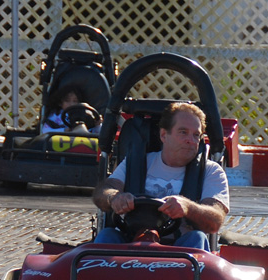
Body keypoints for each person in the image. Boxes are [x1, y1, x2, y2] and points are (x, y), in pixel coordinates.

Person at [91, 102, 229, 250]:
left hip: (178, 249)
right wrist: (114, 197)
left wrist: (188, 207)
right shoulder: (136, 163)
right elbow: (103, 192)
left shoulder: (210, 171)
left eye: (196, 135)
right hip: (130, 241)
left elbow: (215, 220)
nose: (191, 140)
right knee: (107, 235)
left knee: (197, 238)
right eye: (183, 132)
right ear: (164, 135)